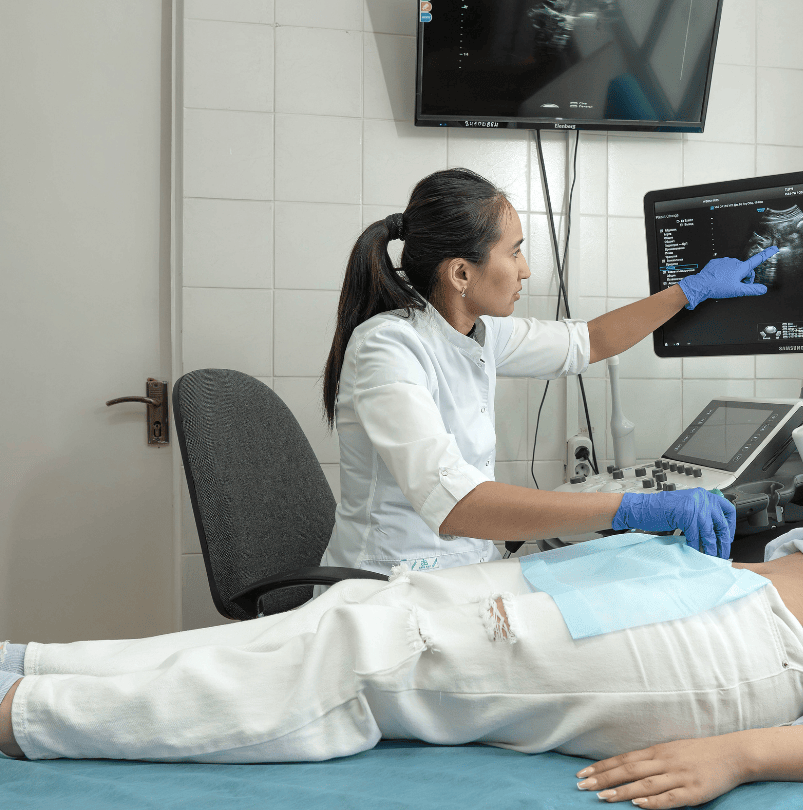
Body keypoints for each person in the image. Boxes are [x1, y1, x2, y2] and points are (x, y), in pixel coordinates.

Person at [0, 504, 803, 805]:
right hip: (703, 590)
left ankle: (5, 720)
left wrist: (740, 753)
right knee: (350, 615)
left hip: (743, 655)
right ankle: (34, 660)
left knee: (370, 653)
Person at [317, 167, 775, 574]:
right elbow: (457, 504)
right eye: (514, 253)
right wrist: (630, 509)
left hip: (462, 570)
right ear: (461, 274)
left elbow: (590, 340)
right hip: (388, 587)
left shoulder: (479, 333)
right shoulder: (387, 347)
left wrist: (691, 290)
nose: (527, 270)